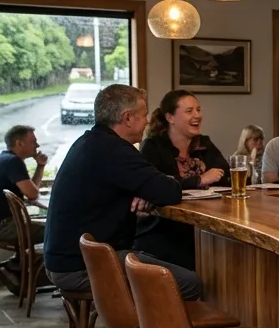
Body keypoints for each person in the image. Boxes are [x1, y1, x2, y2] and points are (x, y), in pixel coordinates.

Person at [43, 83, 204, 301]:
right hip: (82, 266)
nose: (147, 121)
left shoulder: (90, 142)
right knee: (189, 283)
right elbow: (170, 192)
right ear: (127, 118)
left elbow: (150, 186)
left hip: (65, 260)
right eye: (144, 114)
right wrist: (147, 189)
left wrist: (141, 190)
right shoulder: (116, 150)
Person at [134, 90, 229, 270]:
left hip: (202, 227)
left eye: (198, 110)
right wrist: (199, 180)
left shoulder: (204, 144)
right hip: (162, 231)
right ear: (170, 117)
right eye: (189, 111)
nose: (197, 116)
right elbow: (155, 185)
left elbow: (226, 175)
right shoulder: (153, 146)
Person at [0, 125, 47, 293]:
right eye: (33, 141)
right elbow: (33, 194)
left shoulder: (4, 159)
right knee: (57, 231)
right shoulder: (13, 162)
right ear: (19, 143)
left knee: (49, 229)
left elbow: (30, 192)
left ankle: (16, 266)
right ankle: (26, 270)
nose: (37, 145)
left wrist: (40, 166)